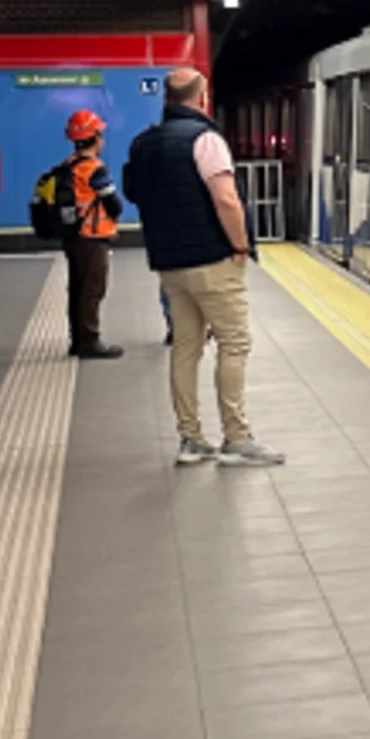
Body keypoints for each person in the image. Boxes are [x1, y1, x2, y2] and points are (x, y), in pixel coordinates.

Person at [123, 68, 283, 467]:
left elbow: (134, 194)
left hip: (169, 264)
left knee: (186, 348)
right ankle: (236, 437)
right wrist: (241, 245)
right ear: (201, 98)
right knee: (234, 344)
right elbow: (226, 198)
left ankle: (191, 439)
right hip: (212, 260)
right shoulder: (205, 140)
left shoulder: (143, 144)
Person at [61, 110, 125, 359]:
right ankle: (90, 341)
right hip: (92, 237)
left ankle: (76, 340)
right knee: (93, 289)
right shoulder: (95, 170)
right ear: (96, 137)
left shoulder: (68, 165)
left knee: (76, 288)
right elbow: (113, 205)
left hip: (73, 235)